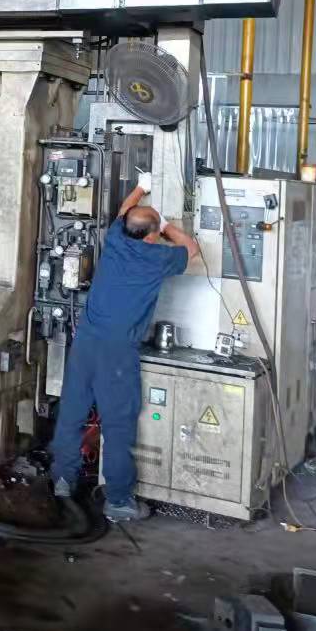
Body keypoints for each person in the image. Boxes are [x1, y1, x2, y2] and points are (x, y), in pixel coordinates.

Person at [49, 171, 199, 522]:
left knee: (71, 414)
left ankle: (63, 480)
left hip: (85, 343)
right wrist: (166, 225)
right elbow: (192, 249)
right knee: (118, 426)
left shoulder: (116, 238)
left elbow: (123, 210)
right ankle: (118, 501)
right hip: (117, 353)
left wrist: (141, 187)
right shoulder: (157, 259)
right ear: (151, 236)